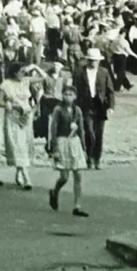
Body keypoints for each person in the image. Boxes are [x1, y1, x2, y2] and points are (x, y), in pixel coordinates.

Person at [47, 85, 90, 218]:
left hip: (74, 142)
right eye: (65, 94)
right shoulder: (58, 110)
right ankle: (55, 191)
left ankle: (77, 205)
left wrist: (84, 148)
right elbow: (53, 129)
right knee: (64, 176)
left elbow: (81, 129)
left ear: (75, 97)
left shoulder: (77, 110)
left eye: (71, 94)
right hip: (62, 141)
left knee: (78, 174)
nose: (68, 97)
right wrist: (54, 148)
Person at [0, 62, 39, 190]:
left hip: (26, 118)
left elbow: (44, 78)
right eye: (21, 71)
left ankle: (19, 171)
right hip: (13, 118)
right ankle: (27, 178)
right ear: (14, 72)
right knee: (17, 146)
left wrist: (34, 67)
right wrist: (11, 105)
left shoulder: (25, 81)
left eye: (24, 72)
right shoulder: (5, 84)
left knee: (25, 146)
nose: (23, 74)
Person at [74, 47, 115, 170]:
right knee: (89, 131)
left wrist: (111, 106)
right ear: (87, 60)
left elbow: (110, 90)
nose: (93, 63)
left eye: (95, 60)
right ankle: (89, 157)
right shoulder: (79, 72)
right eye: (91, 60)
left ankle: (96, 159)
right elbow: (75, 89)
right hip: (86, 104)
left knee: (99, 133)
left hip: (100, 105)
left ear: (99, 61)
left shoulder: (104, 72)